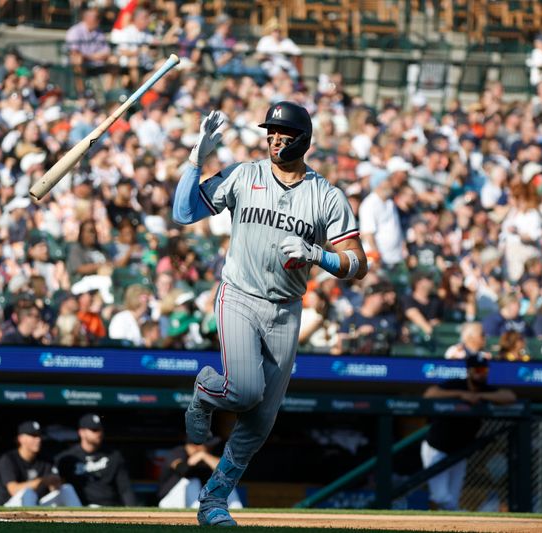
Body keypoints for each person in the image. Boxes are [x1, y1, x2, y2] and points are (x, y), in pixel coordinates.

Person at [172, 103, 368, 526]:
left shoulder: (326, 195)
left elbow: (358, 263)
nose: (275, 138)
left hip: (286, 310)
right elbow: (183, 213)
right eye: (271, 131)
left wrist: (319, 255)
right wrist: (196, 159)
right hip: (239, 295)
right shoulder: (245, 174)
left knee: (260, 422)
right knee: (242, 391)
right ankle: (205, 390)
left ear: (302, 139)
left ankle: (213, 503)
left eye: (283, 132)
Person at [422, 355, 516, 510]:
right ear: (469, 371)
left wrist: (479, 396)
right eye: (478, 370)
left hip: (460, 451)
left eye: (485, 370)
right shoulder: (457, 384)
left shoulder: (485, 389)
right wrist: (460, 395)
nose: (482, 373)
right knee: (440, 496)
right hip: (436, 448)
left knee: (452, 500)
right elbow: (429, 393)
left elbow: (510, 397)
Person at [55, 413, 137, 507]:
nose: (99, 433)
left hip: (108, 506)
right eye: (94, 430)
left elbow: (125, 488)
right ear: (81, 432)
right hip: (78, 508)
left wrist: (131, 508)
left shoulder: (114, 455)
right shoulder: (68, 458)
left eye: (100, 429)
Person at [0, 421, 82, 507]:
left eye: (39, 435)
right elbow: (13, 490)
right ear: (21, 438)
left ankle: (80, 519)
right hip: (11, 506)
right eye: (33, 436)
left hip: (37, 504)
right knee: (28, 493)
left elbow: (53, 488)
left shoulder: (46, 459)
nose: (38, 439)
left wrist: (55, 483)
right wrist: (41, 481)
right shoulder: (9, 459)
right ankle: (31, 520)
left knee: (67, 489)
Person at [157, 434, 242, 509]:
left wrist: (203, 455)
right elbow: (182, 469)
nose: (210, 448)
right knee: (192, 481)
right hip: (169, 501)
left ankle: (236, 509)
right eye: (207, 445)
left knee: (223, 481)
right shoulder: (178, 452)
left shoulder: (206, 456)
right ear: (196, 445)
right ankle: (197, 510)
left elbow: (229, 470)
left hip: (200, 500)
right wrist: (194, 460)